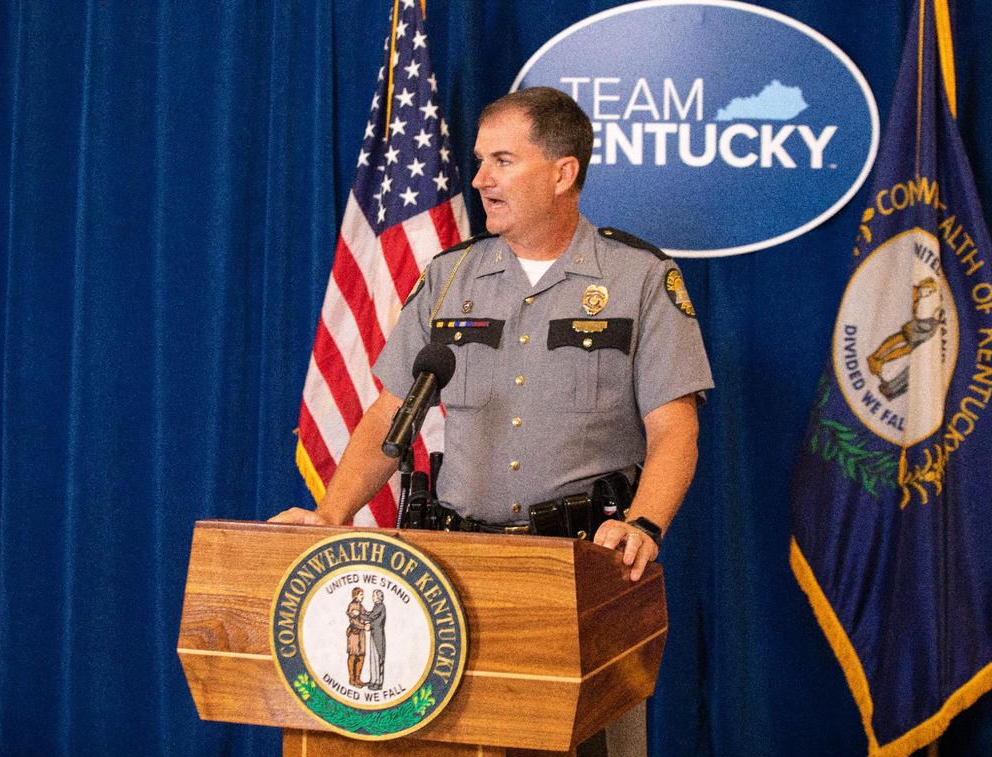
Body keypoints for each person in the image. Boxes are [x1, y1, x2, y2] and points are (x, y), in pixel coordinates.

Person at [274, 86, 713, 583]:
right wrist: (331, 515)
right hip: (459, 564)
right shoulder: (447, 277)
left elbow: (674, 428)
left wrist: (643, 523)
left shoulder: (640, 278)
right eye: (481, 160)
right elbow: (389, 414)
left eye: (503, 161)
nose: (481, 179)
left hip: (585, 563)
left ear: (562, 174)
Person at [345, 588, 368, 687]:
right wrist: (364, 626)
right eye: (361, 594)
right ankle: (352, 679)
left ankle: (358, 679)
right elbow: (353, 621)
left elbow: (366, 614)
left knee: (361, 656)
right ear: (356, 595)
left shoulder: (360, 606)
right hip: (354, 634)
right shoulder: (352, 605)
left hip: (361, 635)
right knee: (353, 656)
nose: (363, 596)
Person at [365, 590, 386, 691]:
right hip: (374, 634)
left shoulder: (380, 606)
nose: (372, 597)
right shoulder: (376, 606)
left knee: (378, 658)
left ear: (378, 597)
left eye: (373, 596)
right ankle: (373, 680)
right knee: (373, 658)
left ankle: (378, 683)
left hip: (378, 635)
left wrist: (359, 614)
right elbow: (371, 614)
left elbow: (371, 617)